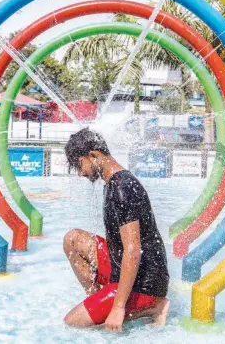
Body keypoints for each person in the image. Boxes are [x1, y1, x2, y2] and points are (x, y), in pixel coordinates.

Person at [62, 128, 169, 332]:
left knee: (73, 323)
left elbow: (133, 249)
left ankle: (152, 307)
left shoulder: (123, 188)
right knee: (72, 239)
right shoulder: (113, 183)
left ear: (93, 156)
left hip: (144, 283)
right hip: (123, 267)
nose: (80, 172)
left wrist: (118, 308)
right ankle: (98, 301)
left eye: (79, 164)